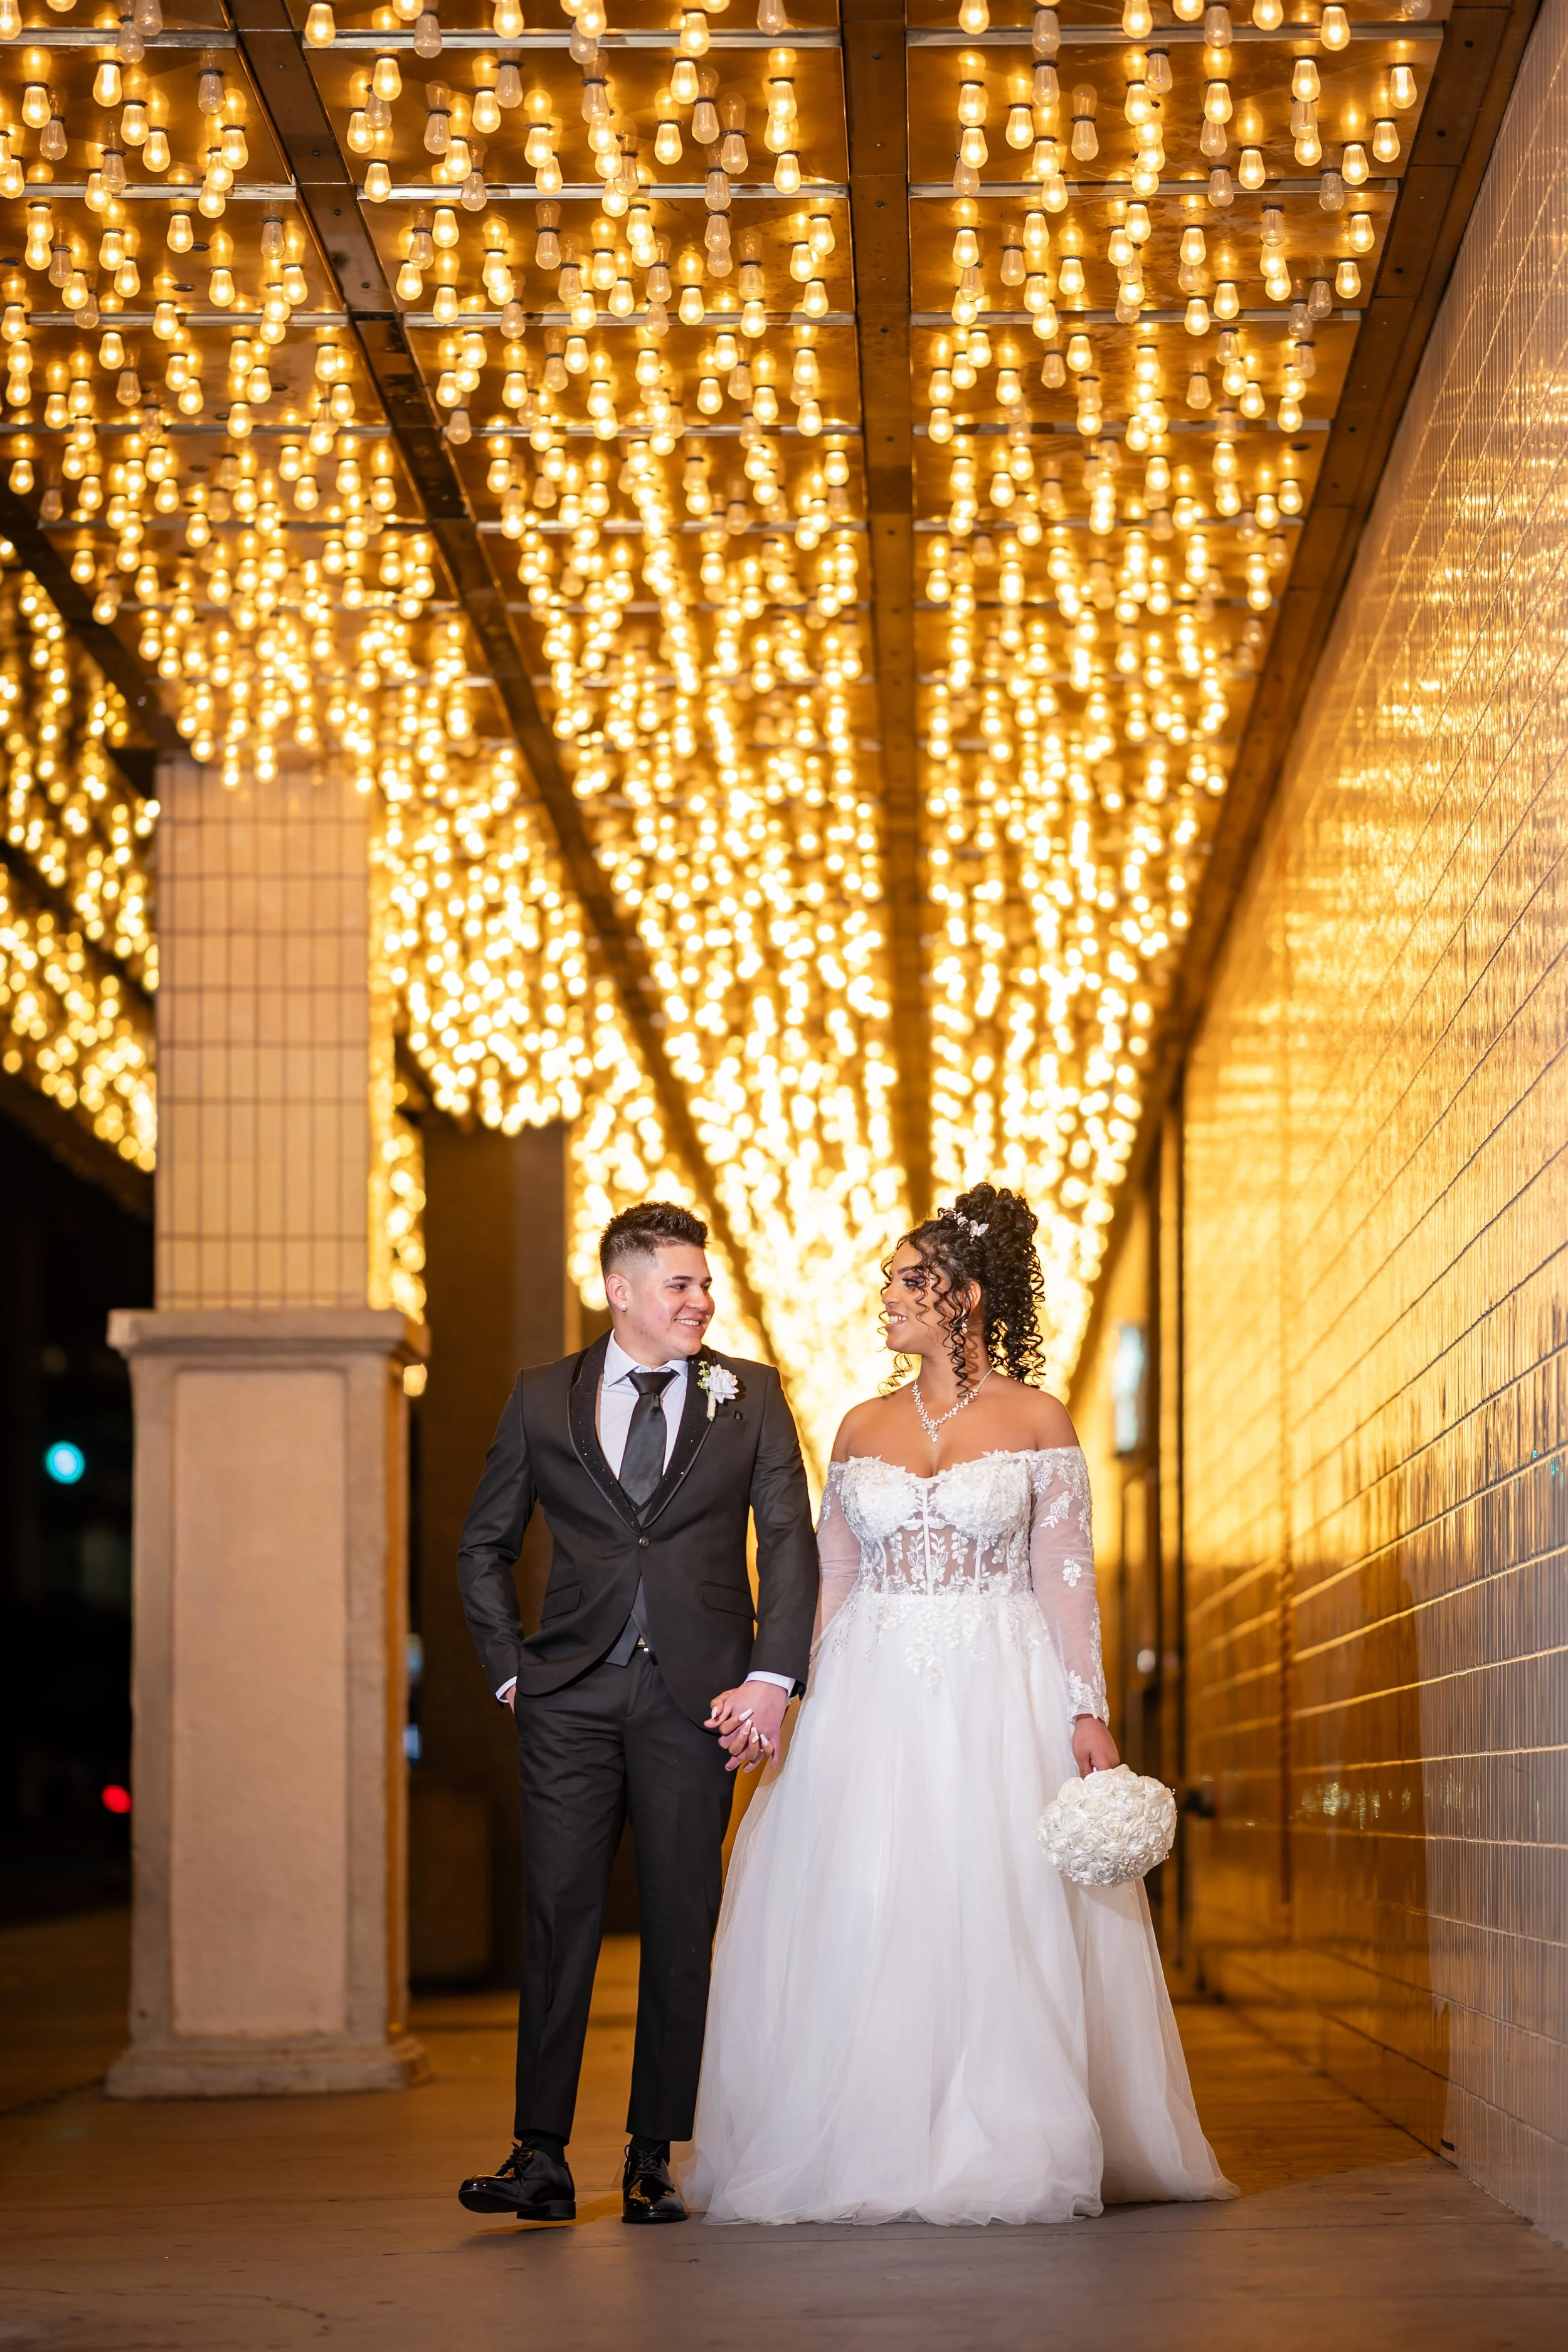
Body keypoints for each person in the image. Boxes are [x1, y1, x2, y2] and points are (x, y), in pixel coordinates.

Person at [684, 1182, 1233, 2225]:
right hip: (868, 1685)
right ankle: (862, 2129)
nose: (884, 1294)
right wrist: (788, 1692)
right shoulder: (857, 1425)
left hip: (1004, 1679)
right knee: (869, 1892)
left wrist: (1087, 1706)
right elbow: (831, 1572)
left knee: (1000, 1894)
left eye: (906, 1279)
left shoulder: (1037, 1417)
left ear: (964, 1298)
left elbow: (1066, 1567)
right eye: (891, 1277)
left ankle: (1006, 2124)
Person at [453, 1201, 818, 2227]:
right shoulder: (541, 1398)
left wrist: (774, 1676)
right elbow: (482, 1544)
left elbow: (789, 1541)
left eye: (704, 1284)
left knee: (678, 1915)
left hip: (697, 1697)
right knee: (557, 1912)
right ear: (622, 1291)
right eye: (681, 1284)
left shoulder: (751, 1396)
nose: (703, 1299)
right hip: (568, 1694)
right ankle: (540, 2153)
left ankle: (654, 2153)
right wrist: (509, 1670)